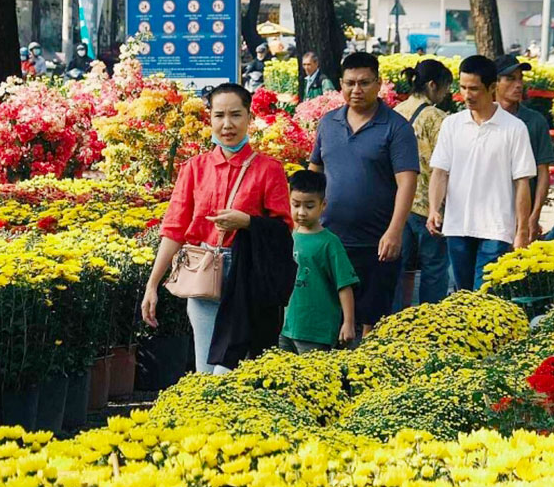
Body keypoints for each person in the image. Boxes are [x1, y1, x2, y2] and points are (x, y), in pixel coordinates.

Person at [143, 83, 292, 374]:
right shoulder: (194, 168)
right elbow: (174, 229)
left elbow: (282, 229)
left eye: (236, 115)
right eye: (219, 115)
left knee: (229, 369)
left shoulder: (268, 169)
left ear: (249, 118)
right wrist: (152, 285)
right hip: (201, 273)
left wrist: (247, 222)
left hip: (245, 277)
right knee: (204, 370)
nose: (227, 124)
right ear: (209, 119)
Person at [307, 52, 419, 333]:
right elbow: (314, 172)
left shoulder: (396, 127)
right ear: (341, 85)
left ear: (379, 83)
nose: (356, 90)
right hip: (331, 238)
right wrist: (304, 220)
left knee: (372, 323)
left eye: (364, 83)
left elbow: (407, 183)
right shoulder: (329, 122)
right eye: (350, 83)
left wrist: (395, 231)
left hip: (377, 242)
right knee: (330, 319)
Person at [427, 55, 537, 291]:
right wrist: (434, 209)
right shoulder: (451, 124)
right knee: (463, 296)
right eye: (463, 87)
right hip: (457, 225)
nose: (467, 95)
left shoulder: (515, 128)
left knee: (484, 297)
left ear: (492, 87)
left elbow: (522, 183)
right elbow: (440, 171)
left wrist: (522, 231)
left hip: (496, 229)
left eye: (474, 89)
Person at [392, 59, 453, 308]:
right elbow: (446, 164)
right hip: (429, 207)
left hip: (398, 204)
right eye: (445, 87)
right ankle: (430, 322)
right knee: (434, 267)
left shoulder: (395, 112)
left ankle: (392, 320)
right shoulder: (438, 118)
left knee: (396, 267)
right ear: (432, 85)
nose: (446, 93)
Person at [278, 170, 359, 353]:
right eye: (296, 205)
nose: (301, 212)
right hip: (287, 327)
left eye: (309, 206)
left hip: (316, 331)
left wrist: (348, 323)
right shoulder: (289, 236)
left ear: (323, 205)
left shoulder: (330, 243)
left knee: (313, 378)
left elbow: (345, 285)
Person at [496, 54, 554, 243]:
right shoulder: (481, 118)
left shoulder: (535, 121)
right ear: (493, 83)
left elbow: (543, 171)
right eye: (510, 78)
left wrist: (534, 215)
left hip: (522, 214)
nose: (519, 84)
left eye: (520, 78)